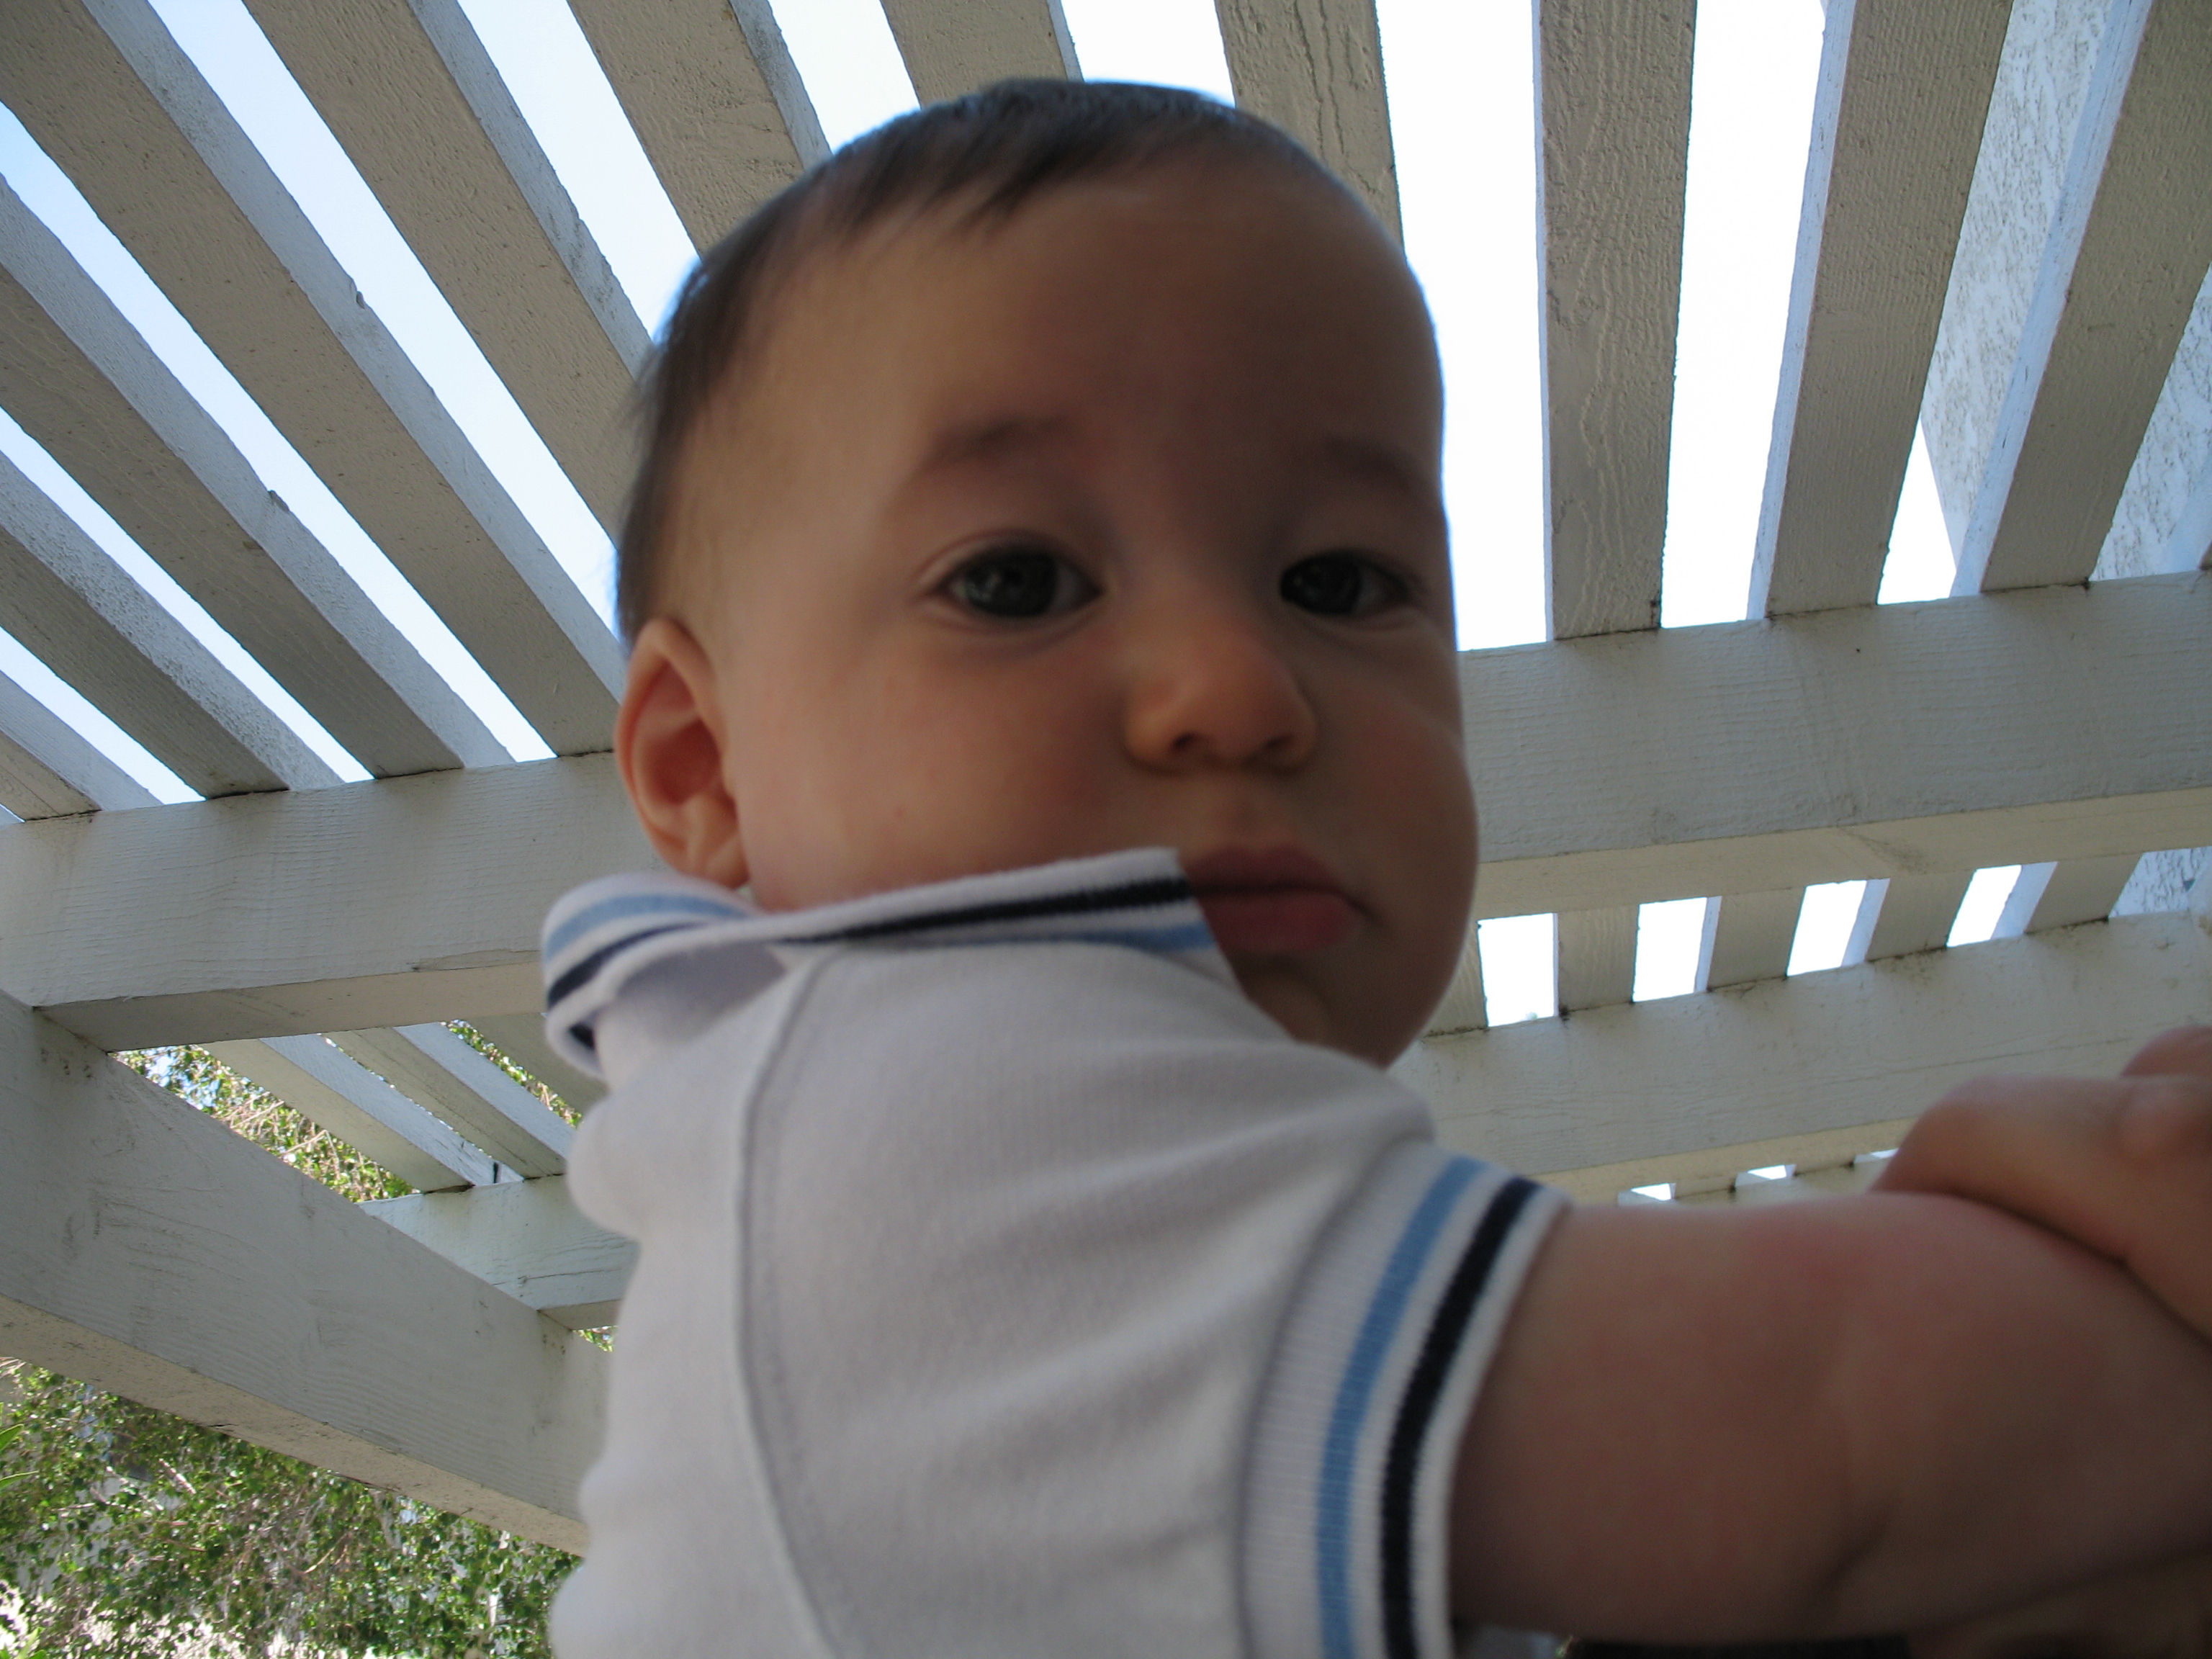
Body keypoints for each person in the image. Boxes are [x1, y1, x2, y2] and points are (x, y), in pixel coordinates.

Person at [536, 80, 2212, 1658]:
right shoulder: (910, 1120)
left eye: (1338, 583)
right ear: (701, 767)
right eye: (1017, 582)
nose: (1237, 689)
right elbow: (1822, 1435)